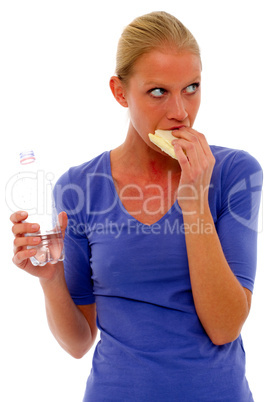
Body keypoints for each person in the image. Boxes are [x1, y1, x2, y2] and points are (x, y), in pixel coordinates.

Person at [10, 11, 263, 401]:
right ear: (119, 92)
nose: (181, 111)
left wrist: (195, 199)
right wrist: (51, 279)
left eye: (192, 87)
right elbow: (78, 343)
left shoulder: (234, 174)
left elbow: (225, 327)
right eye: (158, 91)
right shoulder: (79, 187)